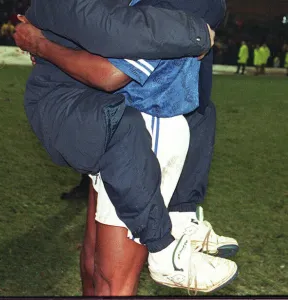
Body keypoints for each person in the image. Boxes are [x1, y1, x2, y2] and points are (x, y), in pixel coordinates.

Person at [13, 0, 238, 294]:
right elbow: (110, 73)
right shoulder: (155, 14)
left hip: (115, 120)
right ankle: (168, 247)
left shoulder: (143, 13)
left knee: (98, 257)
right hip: (143, 130)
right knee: (116, 280)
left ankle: (180, 224)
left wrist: (45, 46)